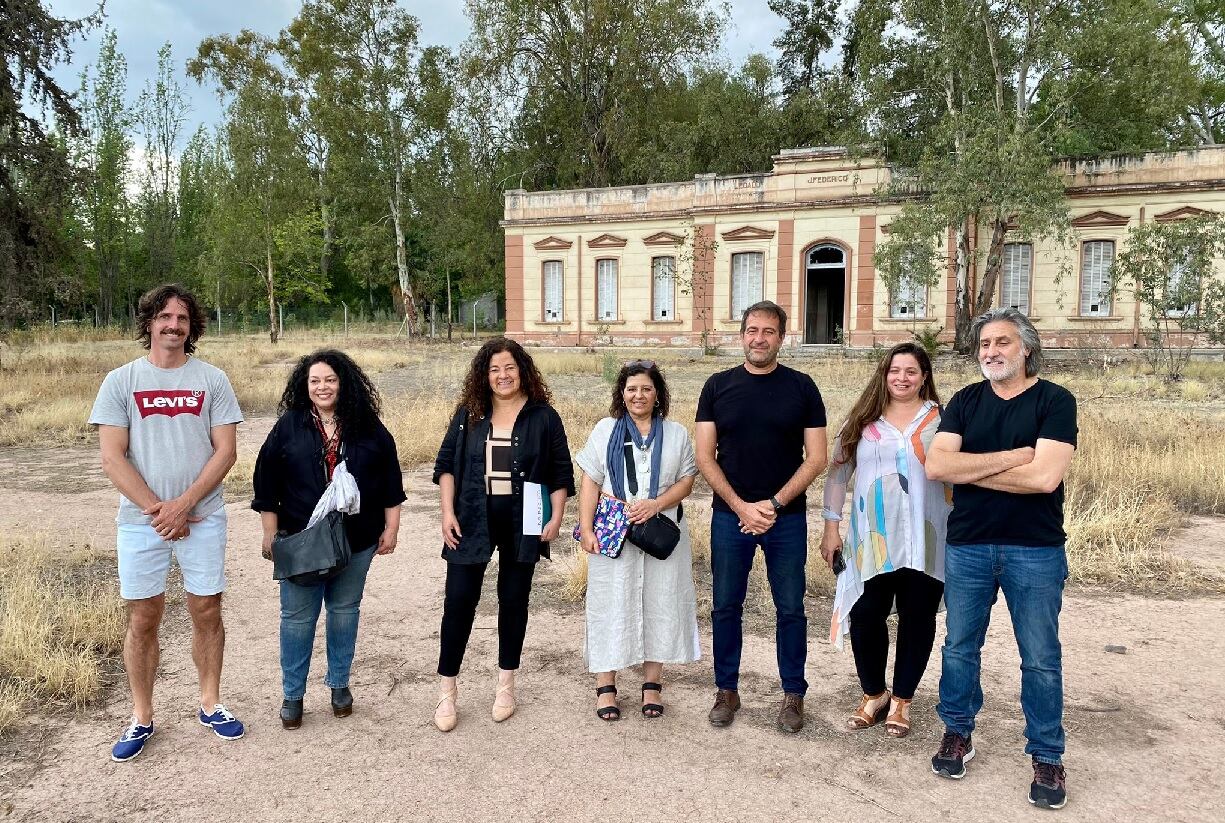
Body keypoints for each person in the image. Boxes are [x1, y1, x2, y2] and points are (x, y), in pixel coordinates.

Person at [925, 308, 1077, 810]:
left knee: (1039, 658)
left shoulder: (1055, 401)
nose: (991, 351)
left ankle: (1047, 754)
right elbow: (938, 466)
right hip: (968, 545)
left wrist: (971, 472)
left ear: (1026, 348)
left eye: (1002, 343)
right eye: (984, 344)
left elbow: (1044, 480)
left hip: (1034, 549)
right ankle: (957, 733)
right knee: (960, 647)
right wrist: (1016, 456)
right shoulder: (967, 401)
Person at [89, 284, 244, 762]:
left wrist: (185, 504)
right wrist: (160, 509)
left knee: (207, 610)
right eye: (164, 317)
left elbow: (227, 451)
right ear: (149, 323)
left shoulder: (212, 380)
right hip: (141, 523)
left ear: (192, 326)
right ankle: (141, 716)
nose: (173, 325)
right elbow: (112, 459)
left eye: (181, 318)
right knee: (143, 616)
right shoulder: (121, 381)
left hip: (204, 516)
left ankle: (210, 702)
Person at [251, 350, 405, 730]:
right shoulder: (289, 426)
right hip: (301, 541)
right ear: (305, 386)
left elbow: (391, 480)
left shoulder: (368, 427)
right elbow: (266, 481)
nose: (323, 387)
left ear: (344, 383)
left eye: (330, 380)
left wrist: (392, 528)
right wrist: (269, 532)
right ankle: (293, 695)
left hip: (358, 539)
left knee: (344, 612)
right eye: (315, 381)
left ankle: (339, 687)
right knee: (297, 618)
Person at [695, 300, 828, 733]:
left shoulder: (803, 387)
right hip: (729, 518)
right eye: (752, 330)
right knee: (725, 607)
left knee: (790, 608)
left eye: (768, 332)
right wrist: (740, 506)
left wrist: (772, 505)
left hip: (784, 521)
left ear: (782, 337)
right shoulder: (717, 386)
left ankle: (793, 695)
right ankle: (726, 690)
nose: (759, 338)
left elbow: (817, 458)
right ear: (741, 335)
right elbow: (704, 455)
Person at [431, 337, 574, 731]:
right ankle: (447, 691)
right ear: (484, 374)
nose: (502, 375)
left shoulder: (544, 417)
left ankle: (506, 684)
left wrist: (556, 516)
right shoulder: (469, 414)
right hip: (471, 517)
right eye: (494, 369)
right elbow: (445, 465)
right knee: (459, 601)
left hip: (523, 520)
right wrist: (447, 513)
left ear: (522, 370)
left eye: (509, 367)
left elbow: (561, 472)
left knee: (514, 601)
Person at [819, 342, 950, 739]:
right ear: (884, 374)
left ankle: (902, 701)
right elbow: (837, 473)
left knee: (917, 617)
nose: (902, 378)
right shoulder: (864, 419)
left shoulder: (942, 420)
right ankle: (874, 693)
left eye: (911, 371)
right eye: (895, 371)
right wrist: (830, 526)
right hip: (871, 538)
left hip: (926, 538)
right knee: (866, 614)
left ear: (924, 376)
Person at [576, 361, 700, 721]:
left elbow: (687, 481)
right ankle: (606, 687)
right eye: (631, 389)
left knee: (660, 603)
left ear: (657, 394)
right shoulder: (605, 430)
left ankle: (652, 685)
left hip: (661, 531)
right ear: (622, 394)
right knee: (609, 603)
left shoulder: (675, 434)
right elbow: (590, 481)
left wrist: (656, 504)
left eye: (646, 388)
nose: (638, 395)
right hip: (614, 532)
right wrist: (586, 528)